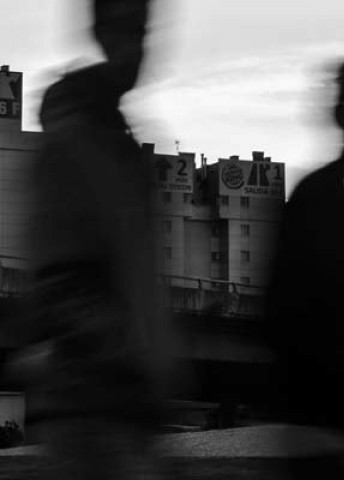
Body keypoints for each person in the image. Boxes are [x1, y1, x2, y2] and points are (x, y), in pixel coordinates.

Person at [23, 0, 170, 477]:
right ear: (101, 33)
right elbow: (60, 277)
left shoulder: (121, 143)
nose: (138, 50)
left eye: (144, 33)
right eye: (127, 32)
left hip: (117, 405)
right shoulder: (76, 141)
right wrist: (129, 350)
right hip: (91, 407)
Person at [265, 58, 344, 478]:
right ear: (339, 113)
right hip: (319, 425)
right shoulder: (320, 198)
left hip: (320, 423)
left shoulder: (325, 195)